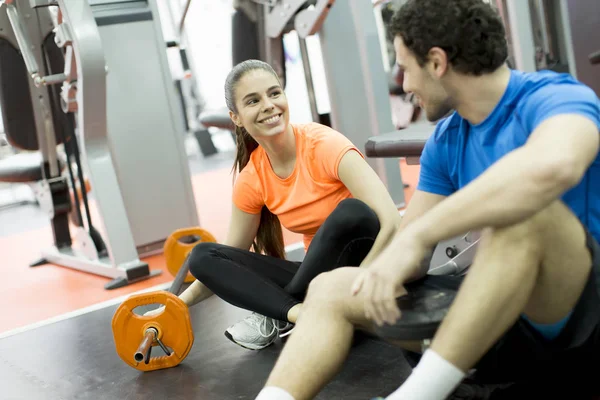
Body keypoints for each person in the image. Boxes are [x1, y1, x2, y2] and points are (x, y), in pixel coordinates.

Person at [253, 0, 600, 399]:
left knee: (526, 218)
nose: (403, 84)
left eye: (406, 67)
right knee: (333, 287)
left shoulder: (555, 98)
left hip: (581, 318)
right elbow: (410, 252)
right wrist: (391, 261)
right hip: (501, 319)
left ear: (436, 62)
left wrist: (422, 236)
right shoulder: (447, 138)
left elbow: (554, 168)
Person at [168, 59, 402, 351]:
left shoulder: (324, 145)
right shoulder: (252, 178)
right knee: (202, 255)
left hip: (370, 263)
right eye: (253, 100)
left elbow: (392, 222)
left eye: (274, 93)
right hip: (317, 278)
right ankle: (299, 313)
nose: (268, 105)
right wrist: (174, 305)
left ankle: (277, 313)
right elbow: (227, 258)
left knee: (351, 213)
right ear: (236, 117)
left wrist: (359, 282)